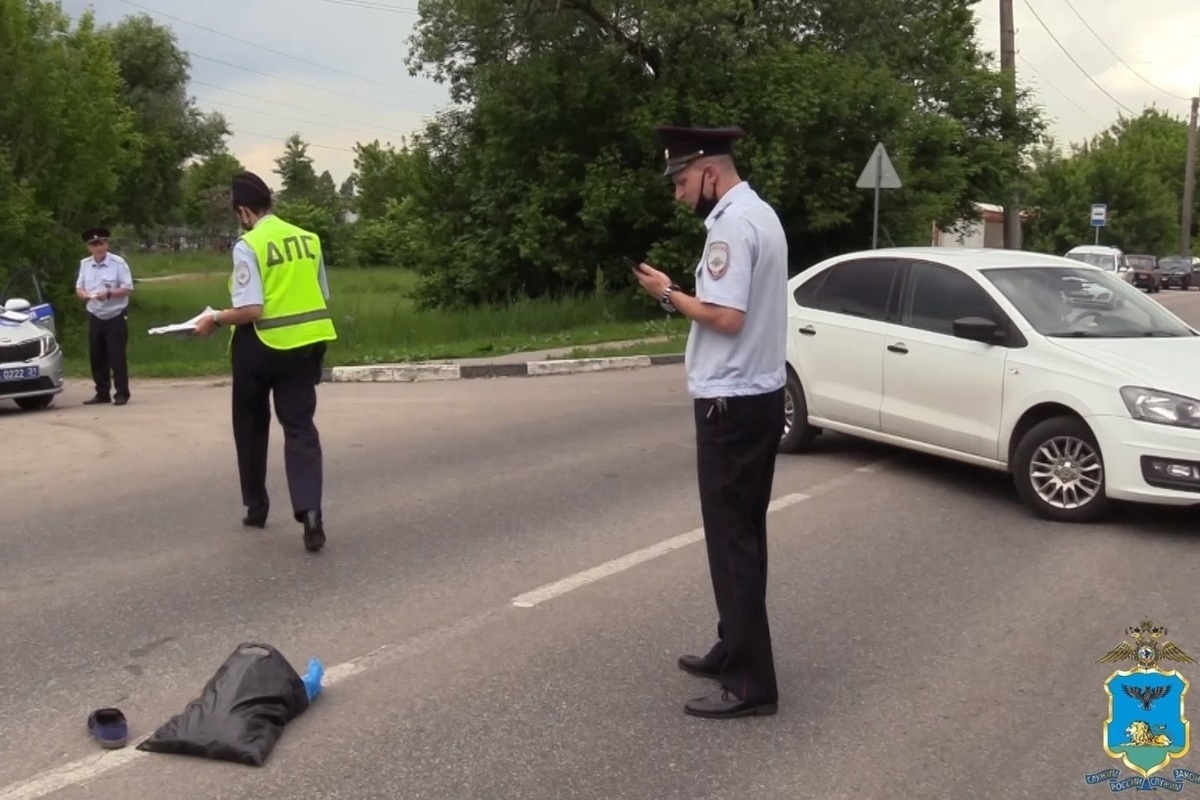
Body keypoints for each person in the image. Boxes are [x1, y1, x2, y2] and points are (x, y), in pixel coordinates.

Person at [632, 125, 789, 720]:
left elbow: (724, 317)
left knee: (732, 543)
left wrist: (668, 294)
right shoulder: (762, 215)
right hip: (759, 394)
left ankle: (751, 685)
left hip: (730, 401)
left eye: (679, 180)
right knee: (745, 535)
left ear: (708, 173)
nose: (676, 193)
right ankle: (734, 647)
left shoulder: (730, 225)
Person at [193, 171, 337, 554]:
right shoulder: (309, 239)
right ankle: (310, 513)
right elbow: (321, 295)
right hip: (305, 348)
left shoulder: (248, 245)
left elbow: (251, 308)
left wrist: (215, 319)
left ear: (243, 211)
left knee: (251, 426)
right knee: (301, 429)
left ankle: (256, 507)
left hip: (260, 348)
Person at [75, 227, 134, 406]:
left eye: (101, 243)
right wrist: (84, 295)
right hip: (95, 314)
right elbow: (79, 287)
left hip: (115, 315)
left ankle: (122, 393)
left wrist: (108, 294)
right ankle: (102, 392)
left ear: (106, 244)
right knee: (97, 356)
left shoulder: (118, 263)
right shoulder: (85, 264)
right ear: (89, 248)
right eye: (94, 245)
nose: (98, 248)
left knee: (116, 355)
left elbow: (128, 289)